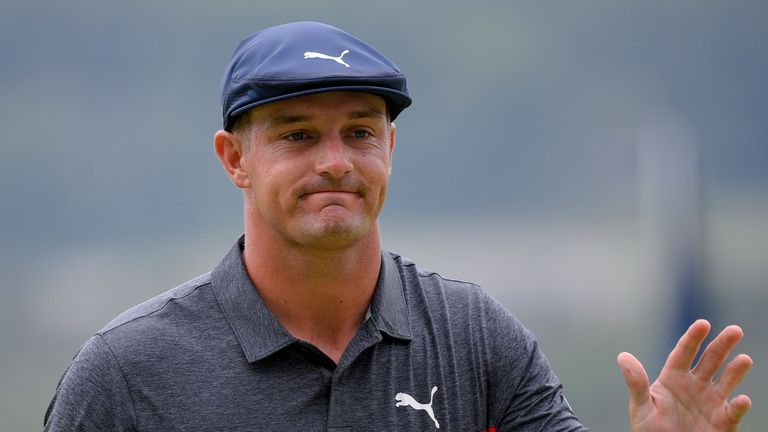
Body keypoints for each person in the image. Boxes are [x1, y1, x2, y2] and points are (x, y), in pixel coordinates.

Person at [44, 21, 752, 431]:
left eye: (359, 132)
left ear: (390, 149)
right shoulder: (126, 375)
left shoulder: (478, 339)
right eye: (296, 136)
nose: (335, 163)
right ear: (235, 159)